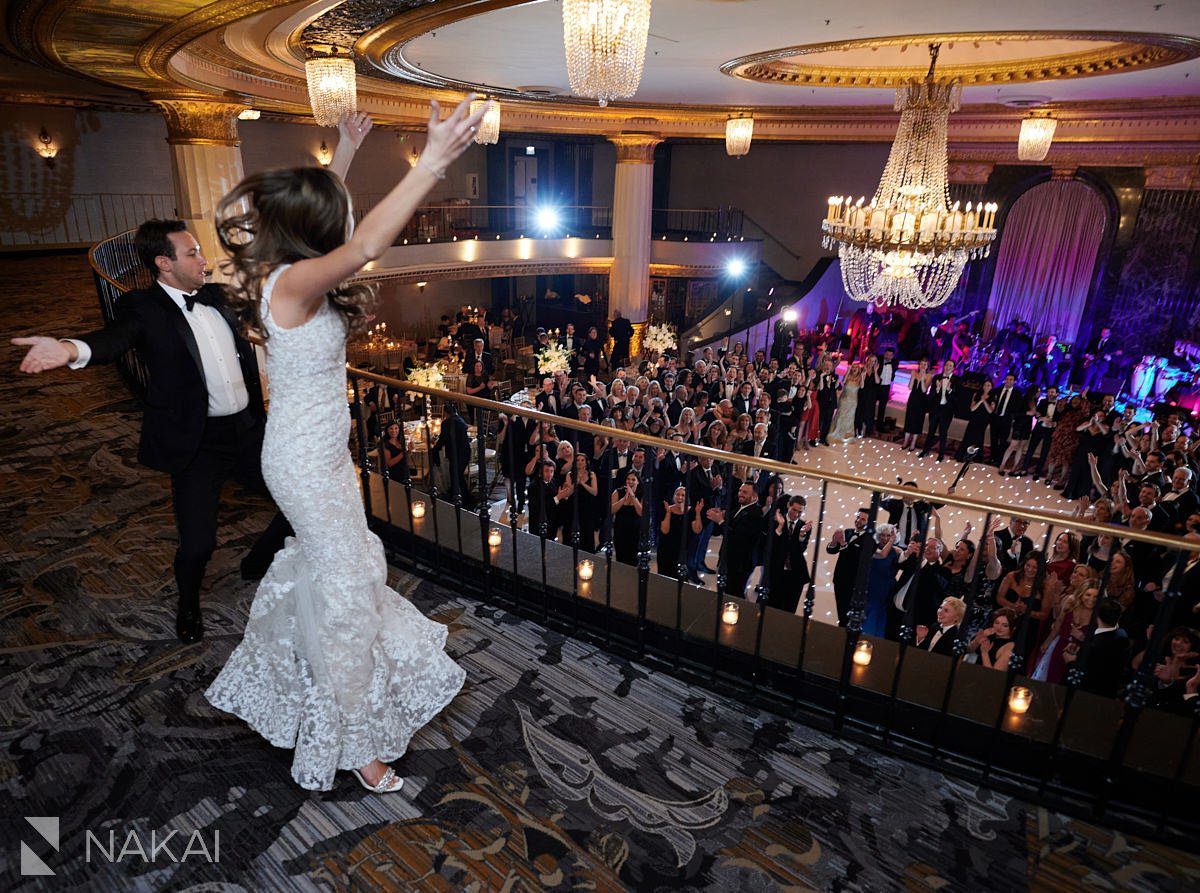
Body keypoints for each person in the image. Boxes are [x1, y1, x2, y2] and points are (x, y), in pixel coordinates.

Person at [203, 100, 486, 794]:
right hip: (303, 461)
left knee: (347, 574)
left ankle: (307, 680)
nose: (343, 226)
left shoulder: (292, 270)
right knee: (349, 592)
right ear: (313, 232)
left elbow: (339, 230)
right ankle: (357, 746)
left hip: (320, 453)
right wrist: (436, 161)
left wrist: (346, 150)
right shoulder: (293, 284)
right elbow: (361, 248)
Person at [13, 218, 293, 645]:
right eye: (192, 253)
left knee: (299, 505)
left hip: (249, 431)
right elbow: (112, 341)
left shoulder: (216, 295)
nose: (203, 260)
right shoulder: (142, 308)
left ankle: (257, 561)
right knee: (198, 544)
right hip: (197, 444)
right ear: (164, 263)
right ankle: (188, 604)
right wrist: (69, 348)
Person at [826, 509, 872, 626]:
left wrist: (843, 544)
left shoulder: (869, 539)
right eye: (858, 517)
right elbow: (831, 550)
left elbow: (857, 558)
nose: (858, 521)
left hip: (853, 584)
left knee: (848, 616)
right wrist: (833, 541)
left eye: (863, 519)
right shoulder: (848, 532)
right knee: (841, 614)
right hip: (839, 579)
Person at [768, 496, 813, 614]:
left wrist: (802, 535)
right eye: (794, 510)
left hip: (795, 574)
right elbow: (771, 546)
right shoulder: (777, 519)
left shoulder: (804, 526)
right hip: (776, 570)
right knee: (771, 604)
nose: (797, 514)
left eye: (800, 512)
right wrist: (780, 527)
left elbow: (801, 550)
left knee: (789, 608)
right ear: (788, 505)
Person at [920, 359, 959, 461]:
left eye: (950, 365)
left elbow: (957, 399)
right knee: (931, 431)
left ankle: (941, 454)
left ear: (953, 369)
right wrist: (937, 389)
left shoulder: (957, 380)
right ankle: (925, 450)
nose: (948, 367)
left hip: (947, 411)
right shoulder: (936, 378)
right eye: (946, 365)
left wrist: (949, 390)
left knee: (943, 433)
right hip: (936, 409)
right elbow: (931, 395)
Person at [611, 469, 644, 564]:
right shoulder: (618, 491)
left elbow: (641, 513)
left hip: (635, 531)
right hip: (620, 530)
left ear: (638, 481)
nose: (630, 481)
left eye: (633, 480)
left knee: (633, 558)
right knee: (620, 556)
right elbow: (611, 510)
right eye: (628, 479)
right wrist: (623, 499)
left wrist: (633, 496)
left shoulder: (642, 493)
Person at [827, 362, 862, 444]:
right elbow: (843, 381)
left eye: (856, 368)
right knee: (840, 415)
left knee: (849, 418)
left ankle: (845, 434)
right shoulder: (848, 375)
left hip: (853, 401)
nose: (854, 369)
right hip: (844, 399)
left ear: (858, 370)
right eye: (853, 367)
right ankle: (836, 433)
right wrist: (847, 371)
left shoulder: (860, 378)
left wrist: (863, 377)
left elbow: (862, 386)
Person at [901, 358, 930, 452]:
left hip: (921, 400)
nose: (923, 366)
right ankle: (905, 441)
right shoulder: (914, 373)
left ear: (927, 366)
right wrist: (913, 377)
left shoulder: (929, 376)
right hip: (912, 398)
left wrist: (922, 379)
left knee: (918, 420)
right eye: (921, 364)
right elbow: (909, 387)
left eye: (925, 364)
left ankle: (913, 442)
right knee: (909, 419)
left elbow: (924, 390)